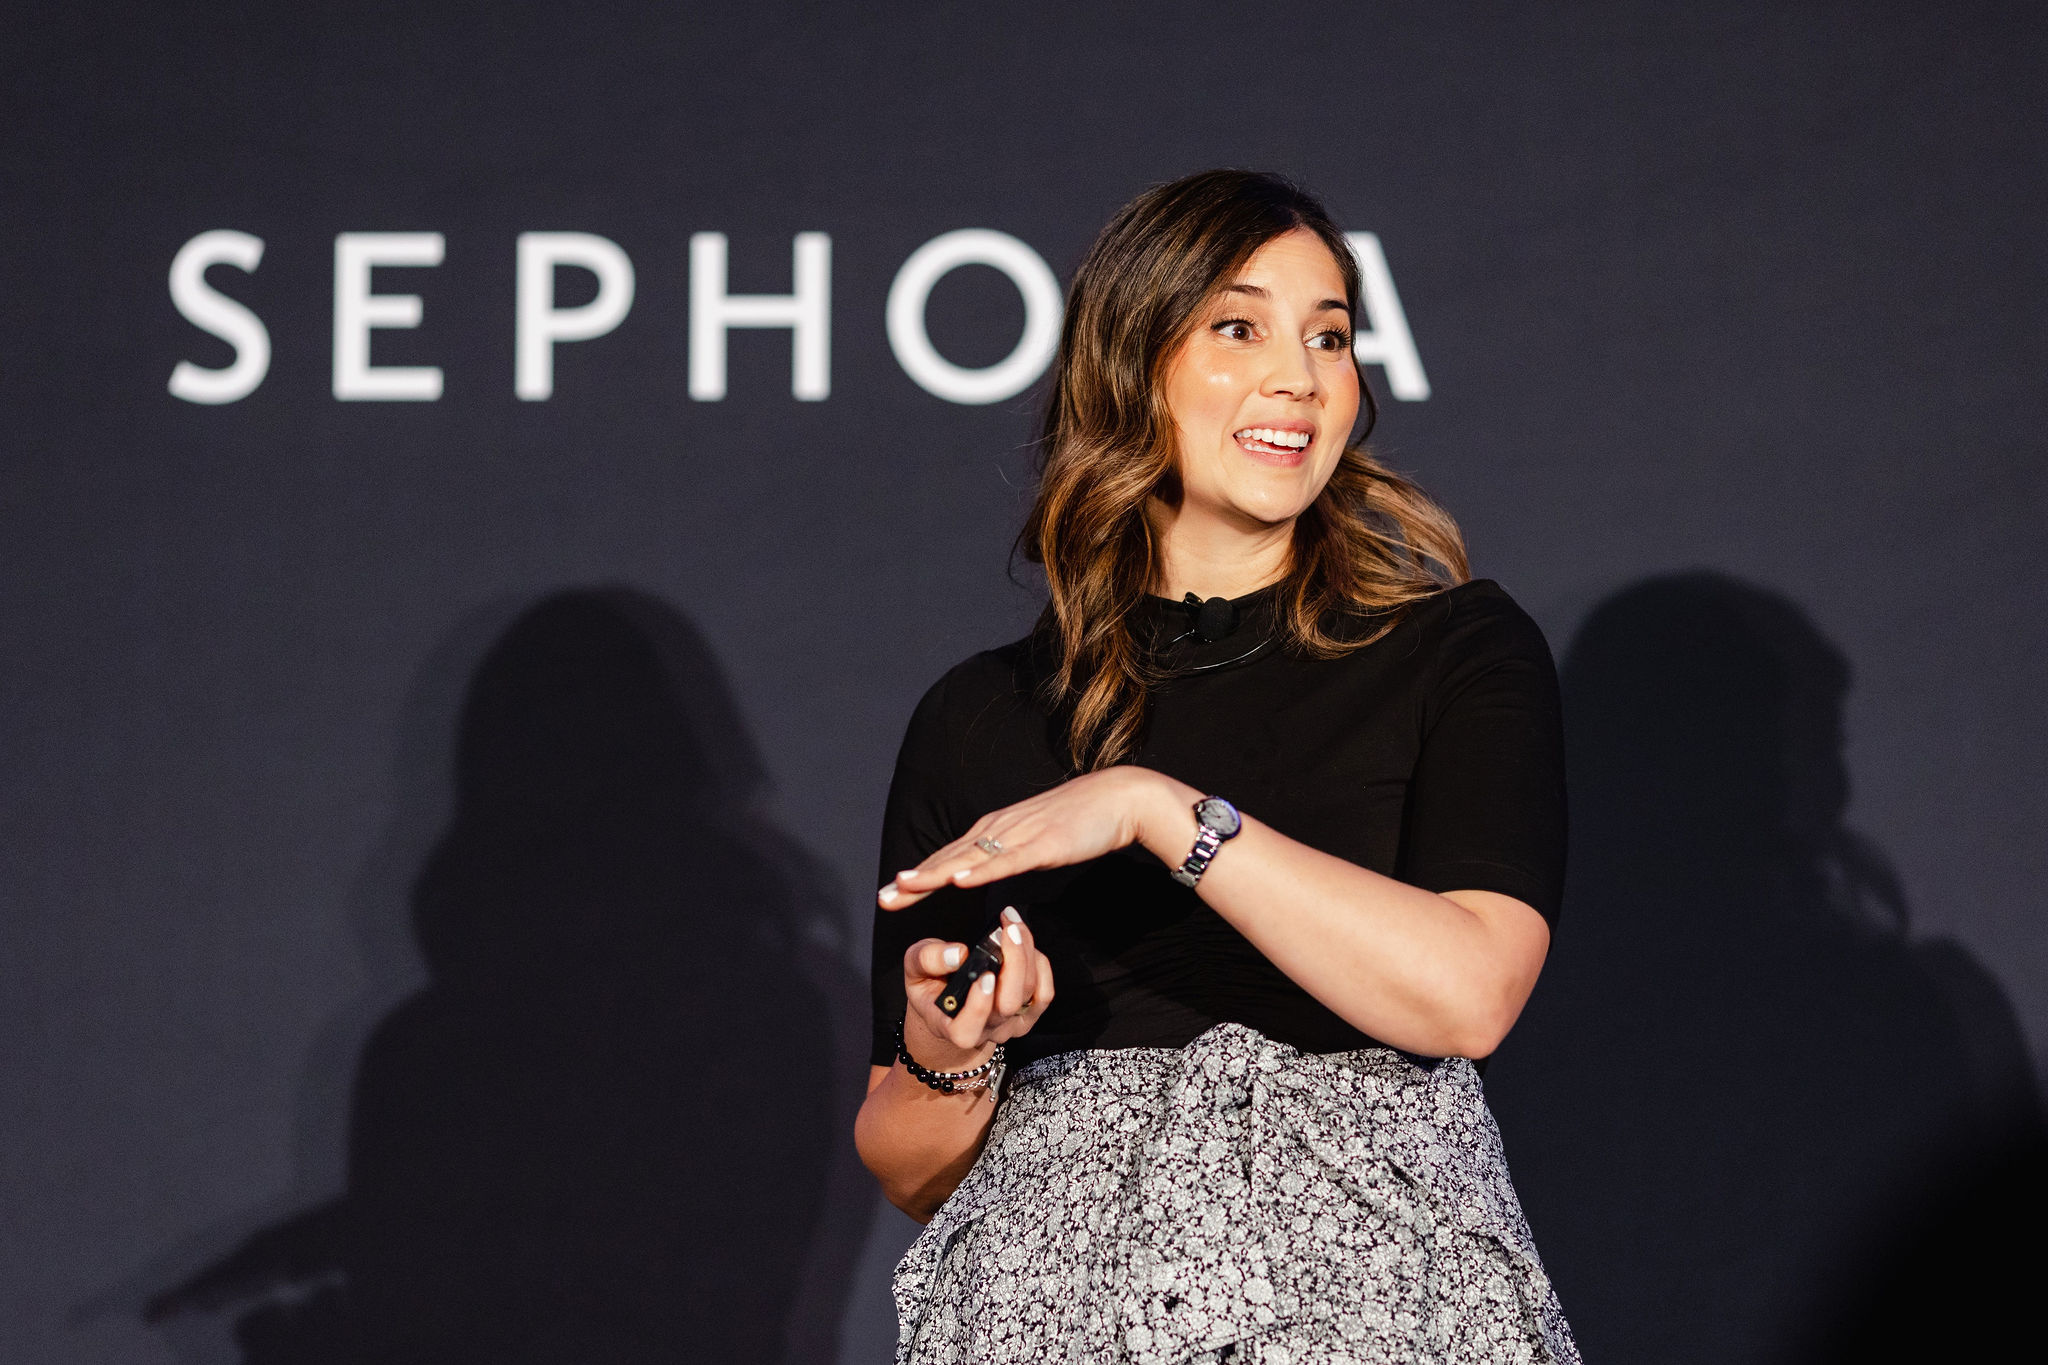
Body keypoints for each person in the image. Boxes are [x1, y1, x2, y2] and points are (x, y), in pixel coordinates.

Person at [854, 169, 1580, 1365]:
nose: (1297, 374)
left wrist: (1157, 810)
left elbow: (1469, 993)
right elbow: (907, 1170)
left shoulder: (1450, 649)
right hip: (1053, 1316)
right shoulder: (981, 716)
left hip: (1379, 1304)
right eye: (1236, 327)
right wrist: (954, 1053)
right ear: (1130, 365)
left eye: (1330, 335)